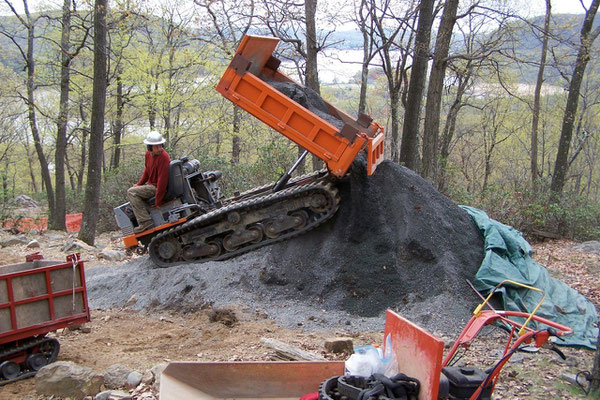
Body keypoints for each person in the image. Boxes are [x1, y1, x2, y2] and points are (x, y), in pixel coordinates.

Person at [127, 130, 171, 234]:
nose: (160, 149)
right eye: (156, 147)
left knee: (131, 192)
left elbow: (162, 180)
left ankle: (145, 221)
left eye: (160, 146)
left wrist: (158, 201)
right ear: (150, 147)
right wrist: (139, 184)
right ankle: (146, 215)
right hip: (151, 184)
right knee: (134, 189)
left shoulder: (164, 157)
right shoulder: (148, 155)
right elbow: (147, 170)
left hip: (156, 187)